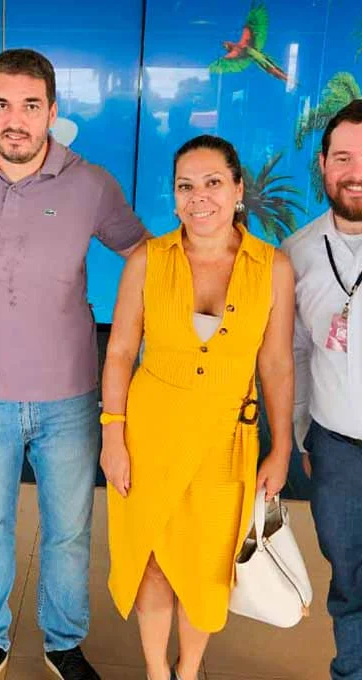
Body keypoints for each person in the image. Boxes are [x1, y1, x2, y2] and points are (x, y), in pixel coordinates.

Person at [0, 48, 148, 680]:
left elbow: (146, 256)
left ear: (52, 111)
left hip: (70, 394)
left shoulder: (91, 184)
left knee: (69, 531)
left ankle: (63, 643)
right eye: (2, 104)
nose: (15, 120)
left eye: (30, 106)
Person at [102, 135, 295, 680]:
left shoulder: (272, 267)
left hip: (226, 442)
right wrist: (112, 435)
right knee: (154, 560)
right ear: (174, 197)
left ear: (237, 189)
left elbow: (277, 364)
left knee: (206, 568)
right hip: (150, 436)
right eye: (186, 186)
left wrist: (281, 448)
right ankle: (154, 671)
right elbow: (120, 352)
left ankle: (187, 671)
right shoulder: (149, 260)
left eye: (213, 183)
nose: (199, 197)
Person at [282, 99, 362, 680]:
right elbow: (296, 352)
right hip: (337, 449)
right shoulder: (300, 252)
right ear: (324, 164)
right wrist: (301, 433)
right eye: (343, 158)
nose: (356, 172)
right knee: (350, 579)